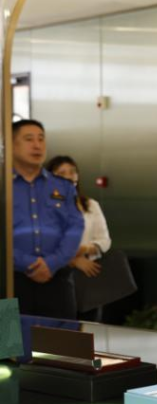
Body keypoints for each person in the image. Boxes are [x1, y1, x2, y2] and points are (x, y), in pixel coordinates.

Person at [11, 120, 84, 319]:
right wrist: (26, 263)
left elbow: (75, 226)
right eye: (29, 139)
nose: (37, 145)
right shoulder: (3, 185)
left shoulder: (63, 187)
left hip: (57, 278)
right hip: (10, 279)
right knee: (9, 337)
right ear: (12, 145)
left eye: (41, 139)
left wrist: (52, 263)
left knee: (59, 338)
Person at [46, 156, 111, 279]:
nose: (69, 176)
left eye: (72, 172)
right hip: (53, 275)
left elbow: (104, 240)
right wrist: (73, 261)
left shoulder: (91, 205)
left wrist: (85, 249)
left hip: (87, 273)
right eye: (61, 173)